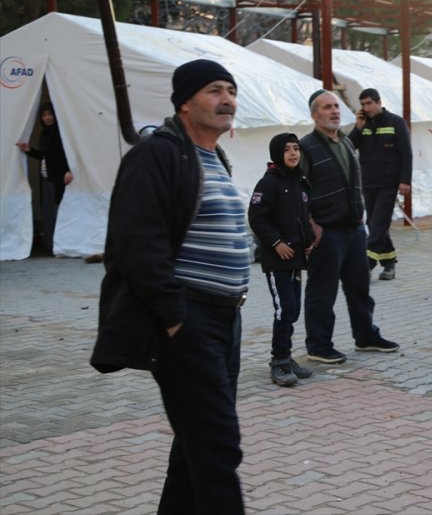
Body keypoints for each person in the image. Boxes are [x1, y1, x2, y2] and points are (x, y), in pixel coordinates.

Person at [90, 59, 251, 513]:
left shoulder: (214, 157)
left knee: (195, 446)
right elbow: (138, 241)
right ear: (185, 102)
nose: (227, 100)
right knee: (219, 446)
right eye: (214, 90)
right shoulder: (156, 153)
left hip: (225, 318)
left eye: (231, 90)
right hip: (189, 318)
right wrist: (176, 317)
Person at [299, 89, 399, 364]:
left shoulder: (344, 141)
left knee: (360, 288)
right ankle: (319, 345)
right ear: (314, 115)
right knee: (322, 292)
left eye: (335, 106)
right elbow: (296, 191)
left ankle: (366, 336)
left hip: (354, 229)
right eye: (327, 107)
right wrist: (311, 227)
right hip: (326, 232)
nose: (334, 111)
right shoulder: (306, 146)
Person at [248, 133, 316, 387]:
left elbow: (302, 216)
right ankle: (279, 362)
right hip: (278, 260)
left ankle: (287, 357)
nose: (293, 153)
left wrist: (307, 242)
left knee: (293, 308)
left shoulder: (299, 181)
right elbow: (257, 217)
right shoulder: (268, 184)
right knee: (284, 309)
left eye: (296, 149)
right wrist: (276, 243)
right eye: (287, 149)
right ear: (277, 153)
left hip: (296, 258)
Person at [348, 88, 413, 281]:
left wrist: (405, 180)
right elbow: (348, 147)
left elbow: (406, 153)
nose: (366, 108)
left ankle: (366, 264)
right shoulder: (363, 125)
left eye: (369, 103)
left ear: (378, 102)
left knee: (379, 223)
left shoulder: (396, 122)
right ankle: (389, 263)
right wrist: (358, 127)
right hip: (368, 182)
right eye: (363, 105)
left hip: (389, 183)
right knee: (375, 223)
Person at [16, 102, 73, 253]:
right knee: (47, 210)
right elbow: (44, 156)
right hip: (45, 178)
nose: (47, 118)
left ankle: (61, 244)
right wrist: (29, 150)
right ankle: (50, 244)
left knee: (57, 210)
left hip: (58, 177)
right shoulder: (45, 133)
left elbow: (68, 152)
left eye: (50, 114)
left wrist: (68, 170)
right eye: (44, 115)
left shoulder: (60, 132)